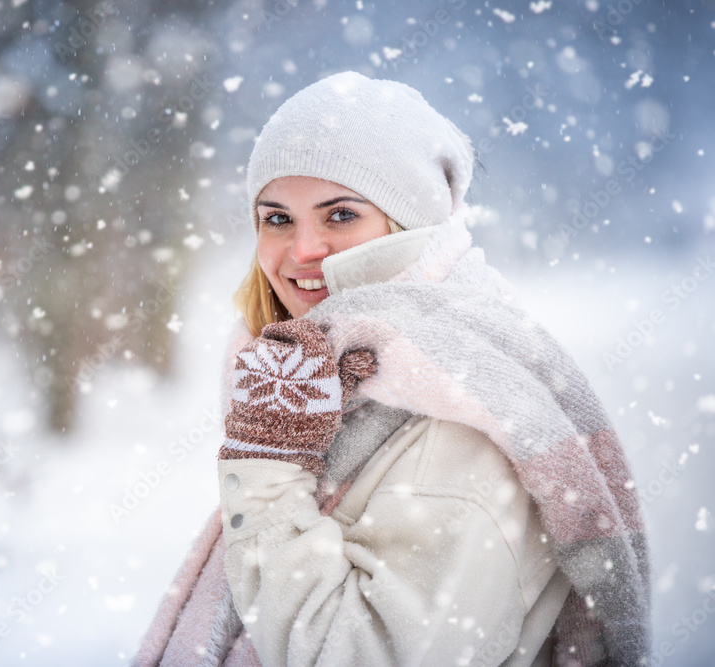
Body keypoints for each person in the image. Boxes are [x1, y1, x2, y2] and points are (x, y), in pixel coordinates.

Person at [134, 72, 650, 666]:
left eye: (340, 215)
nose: (301, 251)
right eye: (277, 218)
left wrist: (268, 467)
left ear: (410, 227)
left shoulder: (457, 422)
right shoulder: (321, 375)